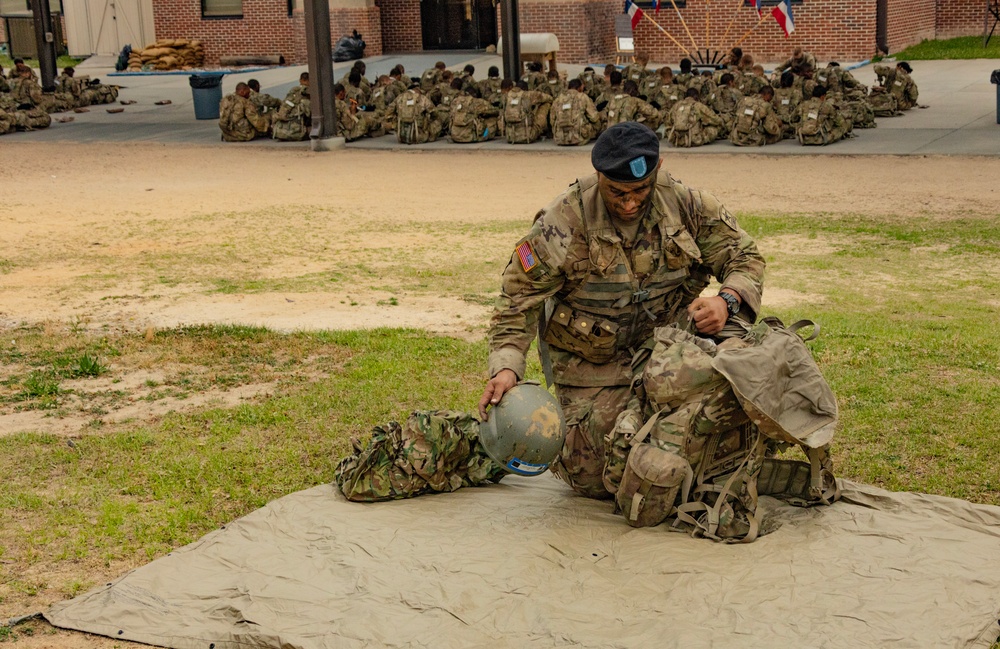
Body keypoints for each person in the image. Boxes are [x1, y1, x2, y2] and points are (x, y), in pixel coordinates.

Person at [479, 121, 765, 500]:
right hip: (591, 364)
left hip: (667, 350)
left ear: (658, 168)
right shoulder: (562, 221)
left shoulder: (687, 204)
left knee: (740, 389)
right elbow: (518, 298)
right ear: (599, 175)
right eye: (617, 192)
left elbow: (744, 256)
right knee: (596, 477)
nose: (629, 203)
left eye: (639, 191)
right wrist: (506, 367)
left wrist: (725, 300)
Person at [549, 78, 603, 146]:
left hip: (560, 138)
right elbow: (594, 117)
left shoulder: (558, 99)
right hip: (579, 138)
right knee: (598, 122)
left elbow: (552, 120)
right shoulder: (583, 97)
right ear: (579, 87)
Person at [272, 73, 311, 141]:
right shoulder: (308, 93)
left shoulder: (293, 91)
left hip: (279, 131)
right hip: (297, 130)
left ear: (300, 80)